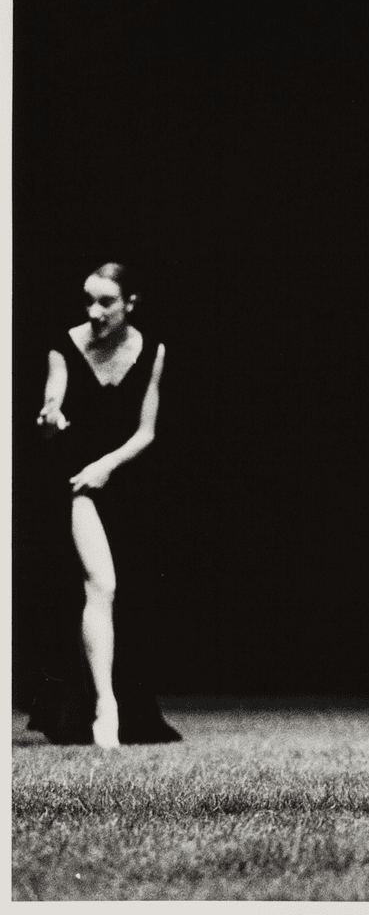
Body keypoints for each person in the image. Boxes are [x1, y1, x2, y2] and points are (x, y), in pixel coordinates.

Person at [29, 263, 181, 747]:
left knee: (127, 596)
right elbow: (54, 397)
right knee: (102, 584)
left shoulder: (151, 350)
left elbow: (147, 432)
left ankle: (124, 706)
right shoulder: (66, 343)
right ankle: (105, 707)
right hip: (77, 482)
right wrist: (51, 416)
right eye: (88, 300)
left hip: (125, 482)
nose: (94, 312)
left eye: (106, 302)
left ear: (130, 303)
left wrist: (109, 465)